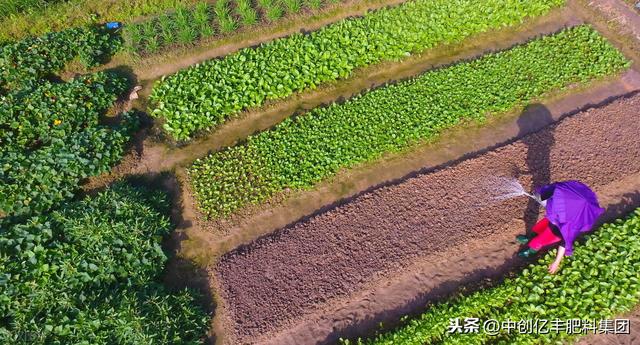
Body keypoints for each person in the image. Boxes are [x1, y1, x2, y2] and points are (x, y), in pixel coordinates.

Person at [515, 180, 604, 274]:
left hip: (554, 233)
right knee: (539, 228)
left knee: (539, 241)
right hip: (553, 220)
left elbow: (564, 244)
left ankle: (531, 251)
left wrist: (556, 262)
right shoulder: (569, 207)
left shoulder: (572, 227)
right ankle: (529, 238)